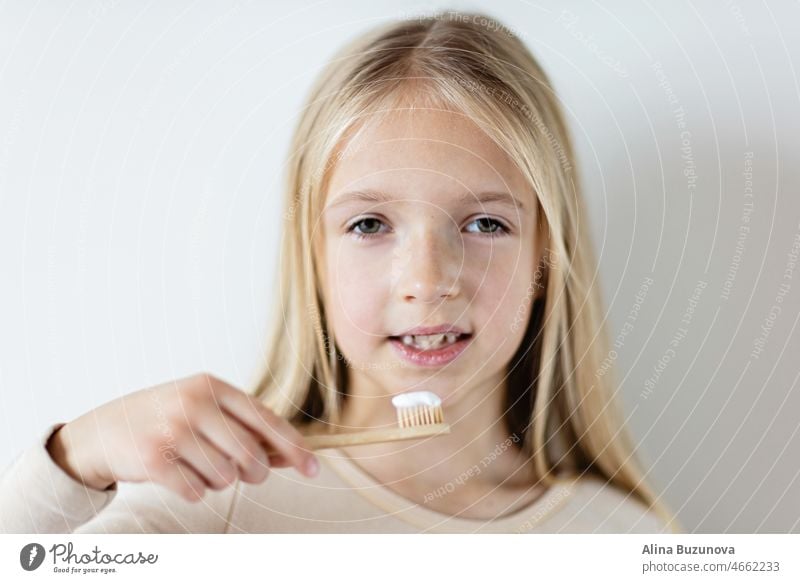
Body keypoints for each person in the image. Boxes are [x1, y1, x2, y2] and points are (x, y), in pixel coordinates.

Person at [0, 10, 682, 534]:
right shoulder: (212, 505)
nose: (427, 279)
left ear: (544, 258)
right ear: (314, 260)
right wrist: (73, 457)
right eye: (369, 225)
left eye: (484, 224)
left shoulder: (625, 535)